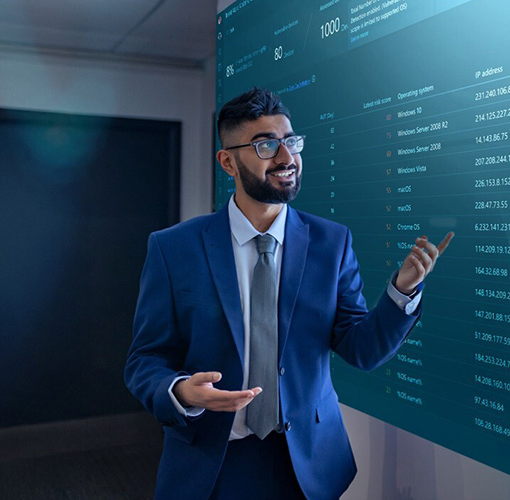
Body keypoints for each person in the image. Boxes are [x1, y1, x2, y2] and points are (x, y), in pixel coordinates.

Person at [125, 88, 453, 500]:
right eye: (266, 145)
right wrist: (180, 391)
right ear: (228, 161)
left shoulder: (331, 243)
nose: (286, 158)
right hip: (212, 462)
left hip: (307, 465)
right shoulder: (174, 249)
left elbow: (361, 349)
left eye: (291, 141)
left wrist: (402, 292)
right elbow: (145, 359)